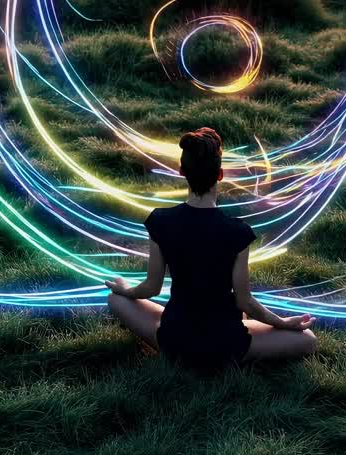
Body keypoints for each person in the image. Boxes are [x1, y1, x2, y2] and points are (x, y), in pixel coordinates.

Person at [106, 126, 316, 371]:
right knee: (308, 340)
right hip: (225, 344)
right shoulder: (237, 232)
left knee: (115, 298)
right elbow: (244, 301)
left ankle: (177, 351)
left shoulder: (160, 221)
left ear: (181, 172)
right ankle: (230, 357)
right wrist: (283, 322)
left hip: (175, 340)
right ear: (220, 175)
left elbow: (151, 288)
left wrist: (127, 291)